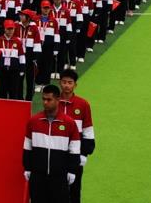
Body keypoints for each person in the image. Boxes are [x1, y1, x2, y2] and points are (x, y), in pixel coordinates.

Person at [23, 84, 81, 203]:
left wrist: (72, 170)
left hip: (59, 178)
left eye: (49, 99)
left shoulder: (69, 123)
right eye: (43, 99)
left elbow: (75, 149)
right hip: (38, 177)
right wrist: (27, 167)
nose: (45, 102)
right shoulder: (33, 121)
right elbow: (27, 146)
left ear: (57, 100)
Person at [58, 69, 95, 203]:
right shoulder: (53, 102)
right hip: (57, 154)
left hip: (75, 155)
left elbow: (88, 131)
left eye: (70, 82)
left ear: (75, 85)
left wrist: (84, 154)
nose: (67, 85)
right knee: (56, 191)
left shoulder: (83, 104)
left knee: (75, 190)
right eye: (64, 82)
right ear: (60, 83)